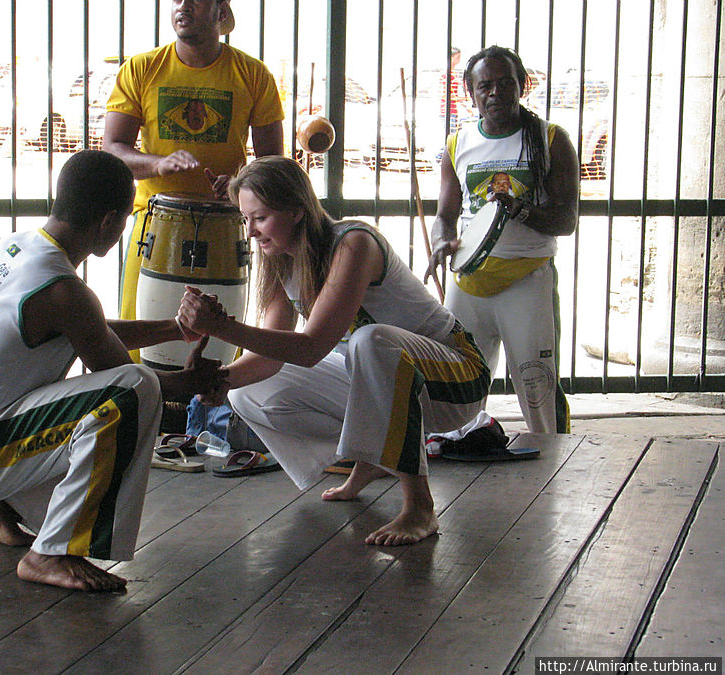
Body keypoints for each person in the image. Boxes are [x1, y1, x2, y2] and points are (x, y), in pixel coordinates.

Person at [0, 150, 225, 592]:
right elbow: (129, 387)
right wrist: (193, 383)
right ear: (108, 222)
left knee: (124, 392)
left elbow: (87, 329)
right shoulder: (64, 289)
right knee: (133, 392)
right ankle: (50, 553)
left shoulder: (17, 247)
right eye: (123, 221)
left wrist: (177, 330)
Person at [177, 156, 491, 546]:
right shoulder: (280, 262)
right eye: (246, 220)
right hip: (391, 382)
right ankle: (372, 458)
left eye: (259, 217)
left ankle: (419, 507)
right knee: (246, 392)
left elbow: (311, 348)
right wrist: (216, 382)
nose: (251, 231)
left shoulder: (354, 243)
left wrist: (222, 326)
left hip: (457, 380)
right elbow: (273, 356)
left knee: (370, 341)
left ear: (295, 210)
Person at [103, 0, 284, 354]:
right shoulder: (142, 68)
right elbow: (112, 148)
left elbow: (273, 165)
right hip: (154, 228)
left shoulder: (254, 75)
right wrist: (156, 164)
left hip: (226, 228)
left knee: (216, 349)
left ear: (221, 12)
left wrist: (238, 186)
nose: (183, 6)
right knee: (144, 348)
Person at [426, 45, 579, 438]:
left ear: (522, 86)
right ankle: (456, 451)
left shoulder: (550, 139)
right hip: (469, 282)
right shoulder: (457, 145)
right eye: (485, 85)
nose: (495, 93)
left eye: (505, 83)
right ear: (470, 92)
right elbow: (444, 215)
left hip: (527, 278)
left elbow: (566, 221)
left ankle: (553, 465)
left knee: (536, 384)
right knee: (458, 383)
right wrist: (442, 241)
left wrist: (521, 209)